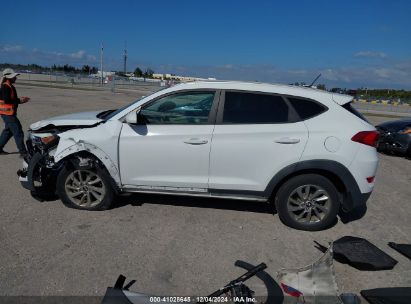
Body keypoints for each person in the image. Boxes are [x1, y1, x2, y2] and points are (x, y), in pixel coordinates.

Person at [0, 68, 30, 156]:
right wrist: (20, 100)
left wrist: (20, 99)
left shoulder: (8, 86)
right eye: (14, 77)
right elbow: (7, 100)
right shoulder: (5, 86)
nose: (16, 78)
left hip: (8, 113)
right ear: (9, 78)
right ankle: (23, 152)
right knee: (18, 131)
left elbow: (10, 99)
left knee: (8, 131)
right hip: (8, 114)